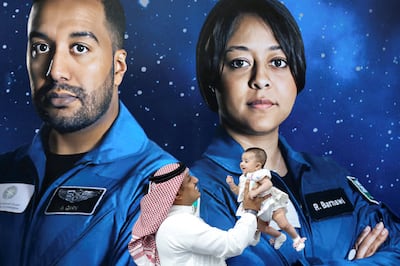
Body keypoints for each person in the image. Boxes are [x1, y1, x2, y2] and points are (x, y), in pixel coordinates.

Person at [190, 0, 400, 265]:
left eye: (277, 61)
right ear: (211, 79)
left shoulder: (330, 174)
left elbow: (397, 242)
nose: (261, 79)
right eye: (240, 62)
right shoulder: (195, 193)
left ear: (296, 74)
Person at [0, 0, 176, 265]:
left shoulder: (163, 188)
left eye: (79, 48)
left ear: (118, 68)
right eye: (41, 47)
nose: (56, 71)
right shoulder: (6, 170)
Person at [128, 162, 267, 266]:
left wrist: (253, 220)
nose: (196, 180)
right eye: (189, 179)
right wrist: (250, 212)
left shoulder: (180, 221)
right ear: (176, 194)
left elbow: (219, 251)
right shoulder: (178, 224)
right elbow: (231, 245)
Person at [227, 147, 306, 251]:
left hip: (272, 203)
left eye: (246, 161)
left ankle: (296, 239)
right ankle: (279, 236)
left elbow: (268, 184)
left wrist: (256, 191)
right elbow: (241, 193)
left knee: (282, 223)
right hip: (260, 207)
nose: (242, 164)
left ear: (257, 166)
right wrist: (232, 185)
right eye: (241, 161)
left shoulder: (260, 173)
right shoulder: (243, 178)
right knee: (262, 227)